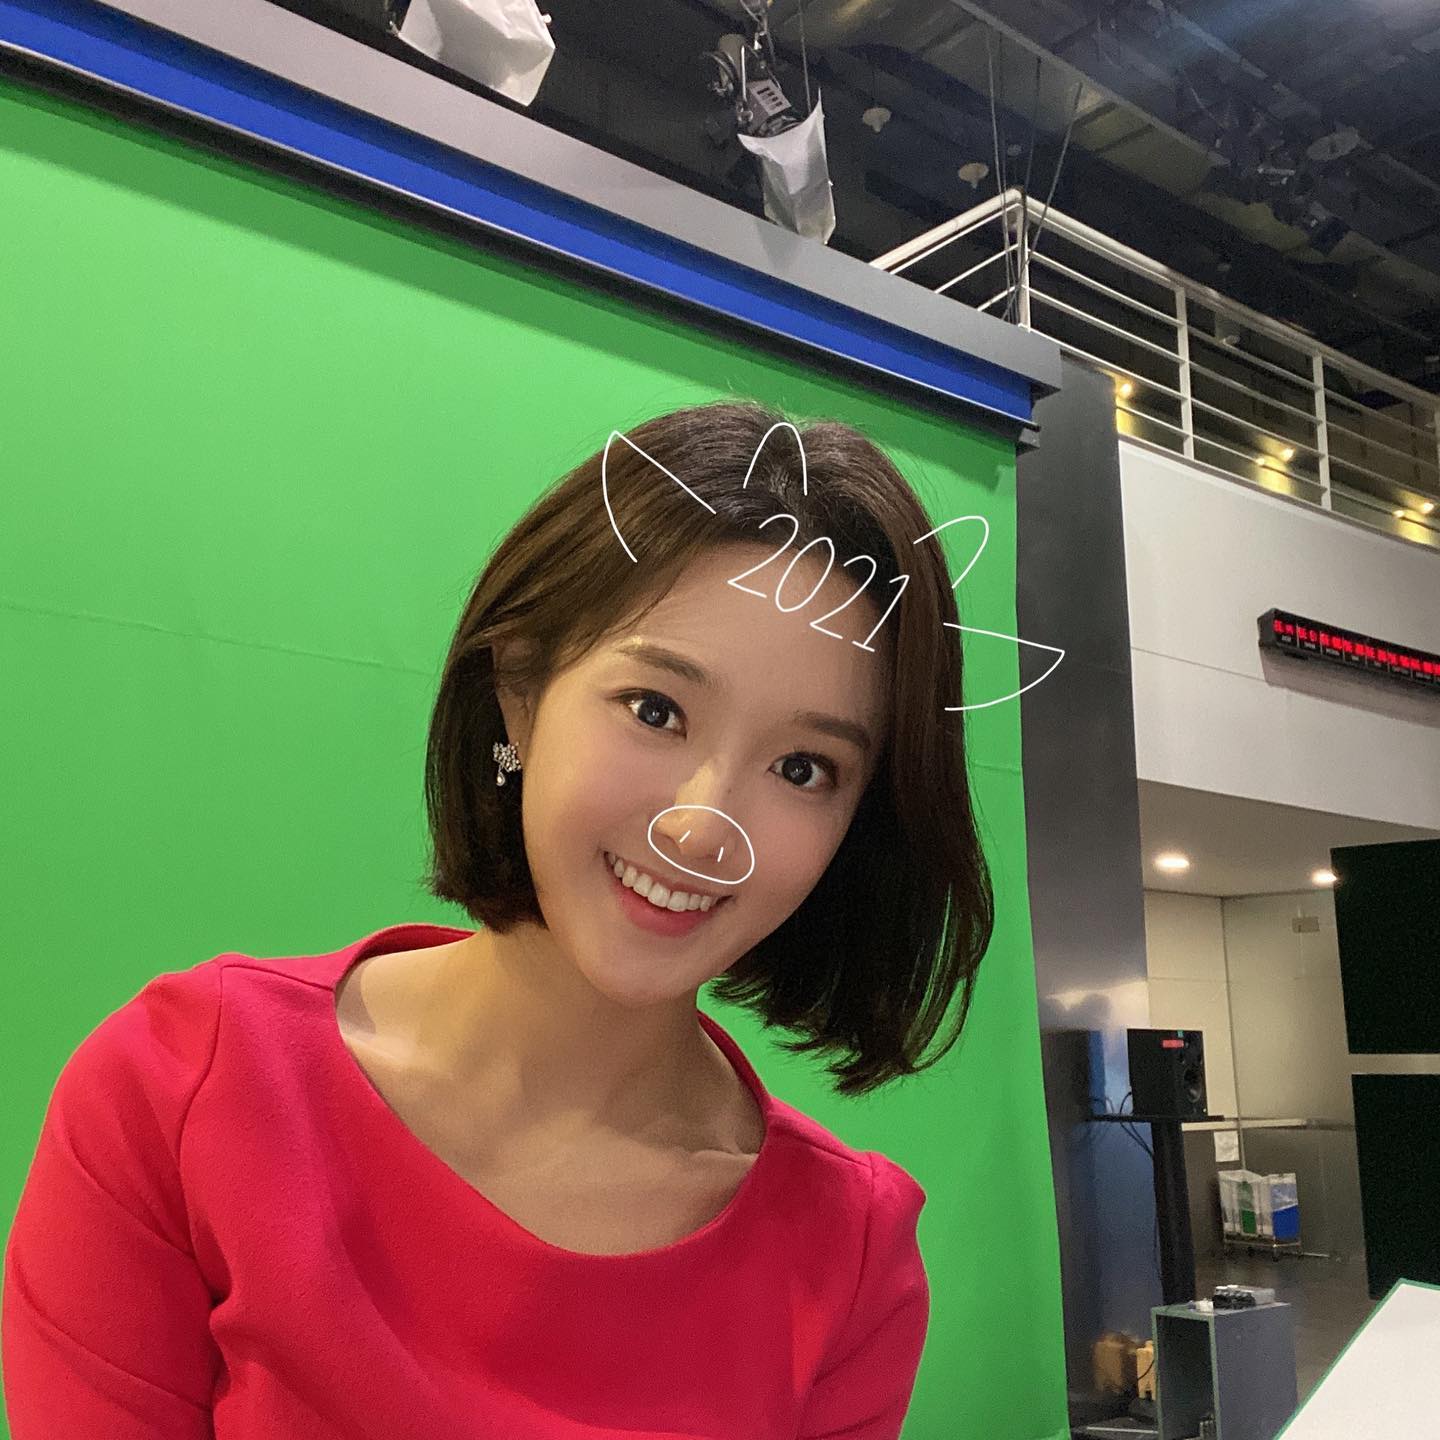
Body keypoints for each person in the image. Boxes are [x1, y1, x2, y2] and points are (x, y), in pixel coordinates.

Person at [2, 399, 995, 1439]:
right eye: (656, 710)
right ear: (520, 690)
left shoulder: (849, 1255)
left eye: (802, 768)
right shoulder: (181, 1092)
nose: (703, 829)